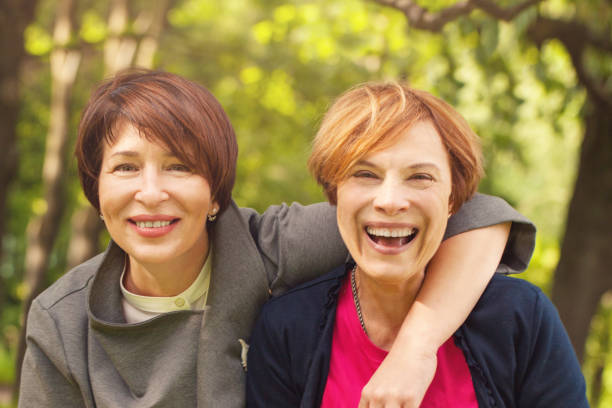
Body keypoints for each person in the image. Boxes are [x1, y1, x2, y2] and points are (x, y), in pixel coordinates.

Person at [18, 71, 535, 407]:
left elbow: (477, 215)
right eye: (125, 167)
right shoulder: (61, 319)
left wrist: (415, 349)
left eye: (179, 167)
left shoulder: (267, 247)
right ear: (97, 189)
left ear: (217, 193)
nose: (150, 193)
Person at [246, 82, 587, 407]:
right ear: (335, 192)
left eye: (420, 177)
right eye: (365, 174)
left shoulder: (519, 317)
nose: (390, 201)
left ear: (453, 199)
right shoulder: (286, 328)